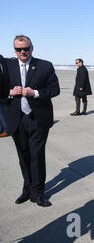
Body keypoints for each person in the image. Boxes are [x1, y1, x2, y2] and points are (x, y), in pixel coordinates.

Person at [3, 35, 60, 207]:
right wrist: (10, 92)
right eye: (19, 49)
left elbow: (54, 89)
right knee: (23, 156)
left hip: (37, 119)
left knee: (36, 155)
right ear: (14, 50)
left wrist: (34, 93)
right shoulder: (6, 66)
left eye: (26, 49)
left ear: (32, 48)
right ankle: (27, 189)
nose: (23, 52)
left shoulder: (45, 66)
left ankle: (38, 192)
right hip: (16, 118)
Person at [0, 54, 10, 137]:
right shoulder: (1, 57)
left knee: (1, 109)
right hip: (4, 87)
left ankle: (7, 129)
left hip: (3, 88)